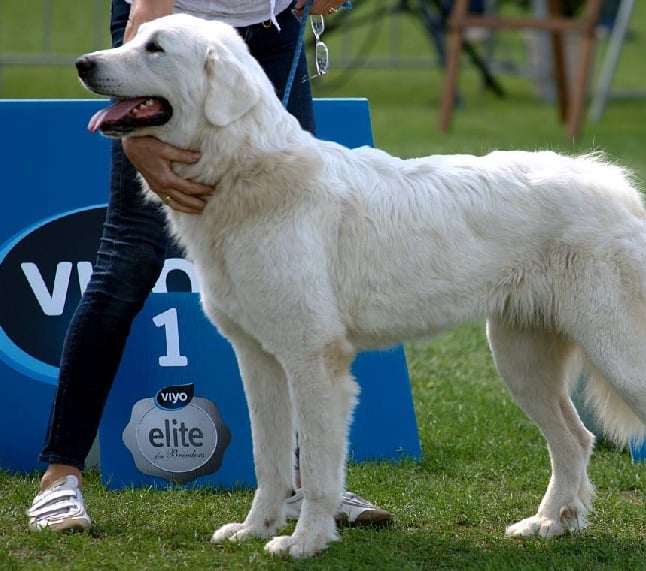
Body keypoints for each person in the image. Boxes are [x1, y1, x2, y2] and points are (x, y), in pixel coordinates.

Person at [27, 0, 392, 532]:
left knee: (298, 275)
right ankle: (60, 477)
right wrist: (136, 137)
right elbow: (148, 13)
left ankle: (305, 483)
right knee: (128, 259)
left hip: (272, 30)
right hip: (167, 35)